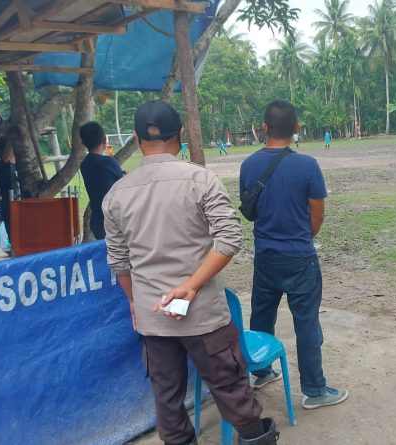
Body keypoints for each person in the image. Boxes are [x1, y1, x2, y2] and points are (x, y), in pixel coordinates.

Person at [103, 100, 277, 445]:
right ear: (180, 134)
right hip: (204, 315)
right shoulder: (200, 179)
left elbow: (119, 262)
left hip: (154, 316)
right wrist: (192, 286)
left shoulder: (116, 194)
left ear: (136, 138)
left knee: (167, 400)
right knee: (231, 390)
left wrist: (136, 303)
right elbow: (229, 237)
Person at [239, 99, 348, 410]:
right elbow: (318, 216)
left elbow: (251, 209)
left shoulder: (249, 165)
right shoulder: (308, 166)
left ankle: (261, 370)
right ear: (297, 128)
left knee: (261, 314)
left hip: (265, 256)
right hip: (300, 258)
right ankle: (314, 390)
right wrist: (300, 239)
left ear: (264, 128)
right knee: (307, 323)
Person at [79, 122, 124, 240]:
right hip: (115, 221)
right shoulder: (109, 162)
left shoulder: (85, 164)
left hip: (98, 221)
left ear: (83, 143)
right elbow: (124, 184)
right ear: (104, 140)